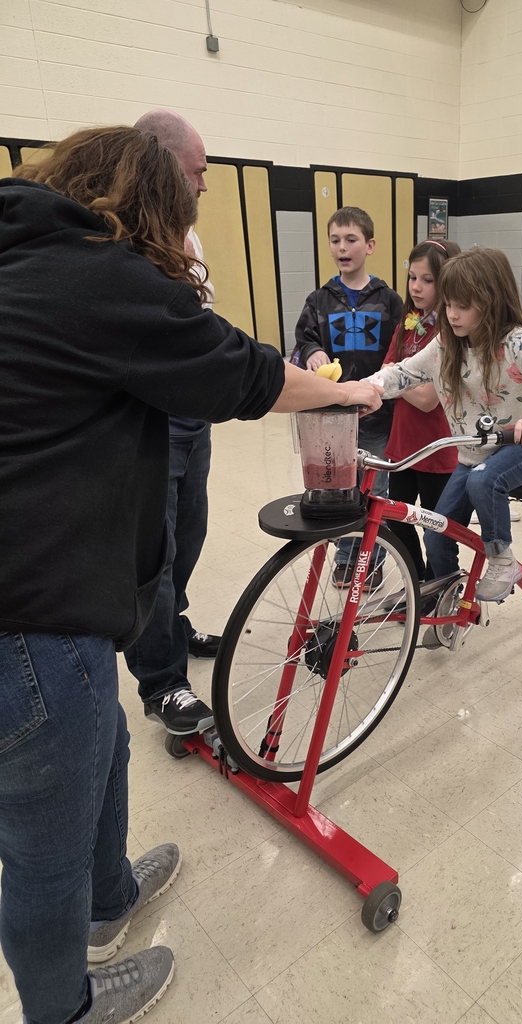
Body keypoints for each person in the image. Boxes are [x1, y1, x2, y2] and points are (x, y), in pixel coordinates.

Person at [0, 126, 382, 1024]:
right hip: (33, 619)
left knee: (107, 749)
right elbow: (237, 372)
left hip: (59, 610)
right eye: (190, 198)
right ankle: (65, 1007)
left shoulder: (27, 255)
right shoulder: (97, 274)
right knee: (38, 850)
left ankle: (109, 902)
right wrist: (348, 394)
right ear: (153, 205)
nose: (195, 213)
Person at [367, 247, 522, 603]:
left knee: (484, 479)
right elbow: (403, 372)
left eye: (464, 305)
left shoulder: (516, 341)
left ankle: (502, 558)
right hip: (471, 455)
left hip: (520, 448)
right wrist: (362, 389)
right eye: (448, 304)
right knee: (435, 532)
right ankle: (443, 596)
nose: (453, 314)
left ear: (492, 301)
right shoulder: (447, 343)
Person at [123, 108, 219, 737]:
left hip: (193, 414)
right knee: (152, 553)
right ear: (159, 164)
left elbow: (201, 322)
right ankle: (162, 680)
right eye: (197, 172)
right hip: (146, 420)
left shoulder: (187, 241)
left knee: (189, 533)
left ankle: (174, 625)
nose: (205, 186)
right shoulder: (117, 244)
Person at [294, 206, 402, 588]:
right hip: (333, 417)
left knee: (375, 490)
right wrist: (311, 353)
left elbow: (403, 350)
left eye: (351, 239)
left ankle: (369, 560)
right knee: (338, 486)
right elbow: (303, 341)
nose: (343, 247)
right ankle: (345, 556)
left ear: (370, 245)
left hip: (378, 417)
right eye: (335, 240)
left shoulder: (389, 300)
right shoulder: (319, 300)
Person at [382, 239, 460, 580]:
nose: (416, 286)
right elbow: (386, 377)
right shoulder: (406, 324)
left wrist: (399, 379)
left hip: (436, 448)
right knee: (395, 519)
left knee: (436, 529)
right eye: (413, 277)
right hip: (402, 445)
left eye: (427, 280)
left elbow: (430, 400)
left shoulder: (452, 333)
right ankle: (417, 586)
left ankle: (440, 586)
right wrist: (400, 380)